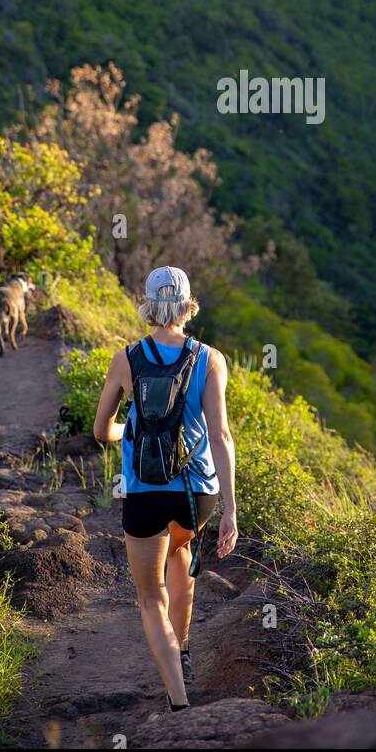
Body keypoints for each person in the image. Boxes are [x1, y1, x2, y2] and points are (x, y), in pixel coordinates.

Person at [93, 265, 238, 710]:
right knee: (180, 553)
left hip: (144, 493)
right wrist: (230, 511)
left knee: (149, 595)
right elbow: (221, 436)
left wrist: (126, 429)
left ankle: (178, 699)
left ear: (150, 305)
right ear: (187, 306)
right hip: (199, 496)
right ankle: (186, 649)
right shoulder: (211, 359)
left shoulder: (126, 358)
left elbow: (102, 430)